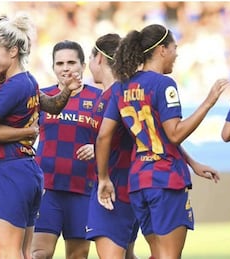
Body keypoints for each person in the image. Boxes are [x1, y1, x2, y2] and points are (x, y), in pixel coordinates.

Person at [95, 24, 229, 259]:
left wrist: (103, 177)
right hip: (166, 179)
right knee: (169, 256)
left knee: (157, 254)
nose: (177, 54)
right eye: (175, 48)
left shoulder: (122, 86)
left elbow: (104, 135)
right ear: (162, 50)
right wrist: (208, 102)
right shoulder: (164, 84)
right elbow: (174, 133)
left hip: (139, 182)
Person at [0, 13, 81, 258]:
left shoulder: (13, 86)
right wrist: (66, 92)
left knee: (7, 252)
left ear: (13, 51)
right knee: (24, 252)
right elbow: (53, 105)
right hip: (27, 169)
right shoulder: (30, 81)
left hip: (9, 170)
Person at [30, 40, 101, 259]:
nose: (66, 67)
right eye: (59, 63)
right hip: (47, 188)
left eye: (71, 62)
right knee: (40, 253)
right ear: (53, 67)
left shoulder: (99, 99)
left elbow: (116, 140)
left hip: (83, 189)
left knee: (78, 256)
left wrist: (96, 148)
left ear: (83, 65)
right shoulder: (40, 97)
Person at [84, 33, 139, 259]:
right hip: (128, 185)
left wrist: (104, 178)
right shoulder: (120, 93)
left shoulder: (115, 93)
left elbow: (106, 138)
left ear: (98, 58)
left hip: (112, 188)